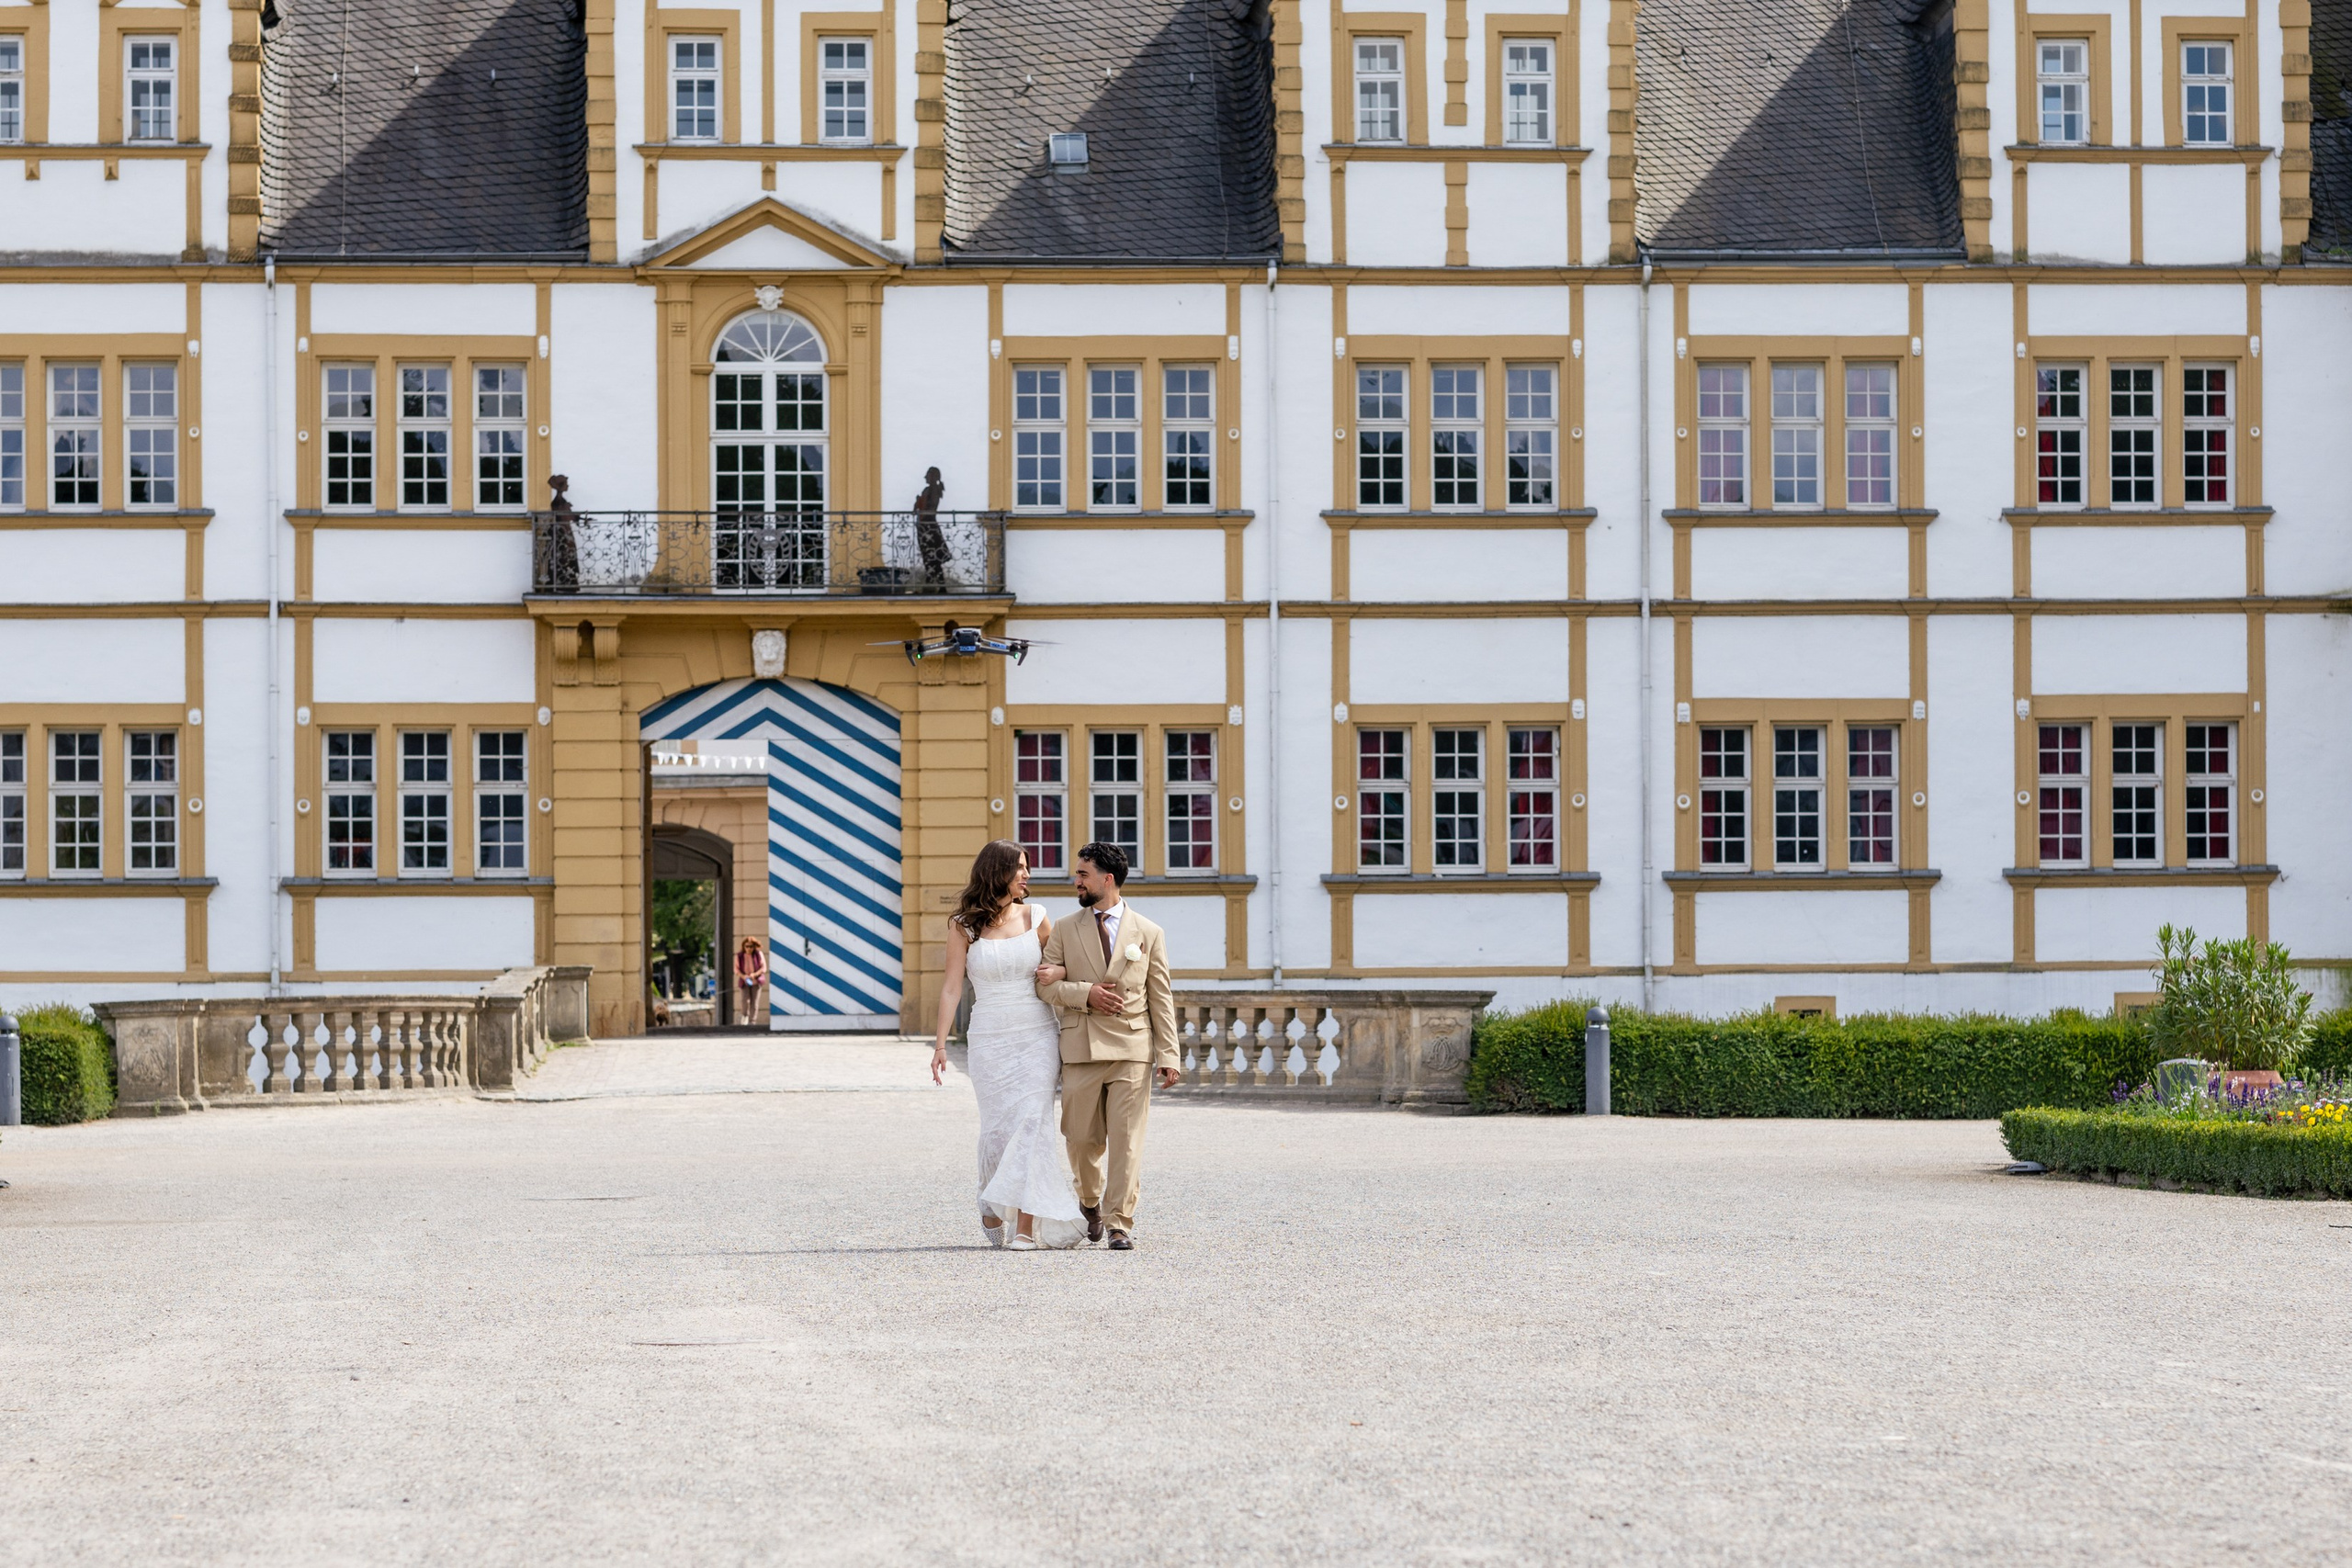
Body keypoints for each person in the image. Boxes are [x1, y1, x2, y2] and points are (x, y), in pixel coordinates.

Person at [930, 840, 1086, 1250]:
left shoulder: (1037, 916)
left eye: (1027, 867)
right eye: (1019, 867)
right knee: (998, 1131)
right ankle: (991, 1200)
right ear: (995, 870)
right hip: (989, 1038)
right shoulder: (963, 925)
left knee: (1033, 1123)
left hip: (1037, 1033)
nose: (1026, 874)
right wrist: (940, 1045)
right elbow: (951, 988)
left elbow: (1067, 965)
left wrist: (1059, 972)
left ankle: (1025, 1227)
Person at [1032, 841, 1180, 1251]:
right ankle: (1089, 1202)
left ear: (1107, 879)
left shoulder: (1148, 932)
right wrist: (1087, 993)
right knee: (1081, 1139)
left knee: (1127, 1141)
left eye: (1083, 874)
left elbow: (1160, 997)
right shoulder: (1064, 928)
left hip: (1132, 1048)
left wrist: (1169, 1054)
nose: (1076, 881)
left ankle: (1119, 1223)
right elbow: (1043, 987)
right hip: (1081, 1047)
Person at [733, 938, 768, 1025]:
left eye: (751, 946)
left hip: (756, 981)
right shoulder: (739, 956)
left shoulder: (758, 954)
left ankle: (752, 1021)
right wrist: (744, 976)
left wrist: (755, 974)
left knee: (754, 1002)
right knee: (744, 1000)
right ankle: (745, 1016)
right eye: (747, 946)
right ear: (744, 947)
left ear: (754, 947)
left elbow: (763, 968)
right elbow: (736, 969)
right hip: (744, 981)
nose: (749, 949)